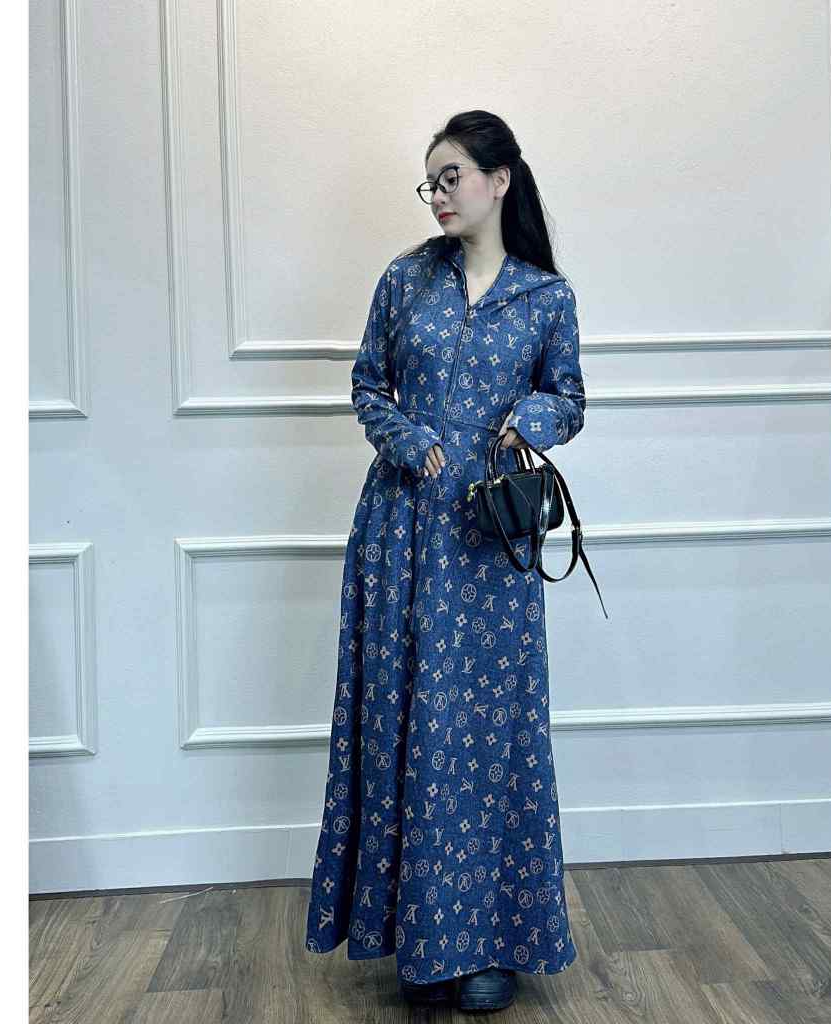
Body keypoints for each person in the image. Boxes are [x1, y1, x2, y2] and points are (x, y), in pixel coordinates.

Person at [304, 110, 587, 1013]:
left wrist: (527, 422)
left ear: (499, 180)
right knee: (403, 722)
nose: (438, 194)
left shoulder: (546, 297)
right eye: (430, 180)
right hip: (399, 530)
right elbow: (366, 384)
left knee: (487, 736)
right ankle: (415, 941)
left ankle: (486, 942)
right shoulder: (405, 280)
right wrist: (405, 437)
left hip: (490, 541)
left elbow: (569, 397)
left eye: (452, 175)